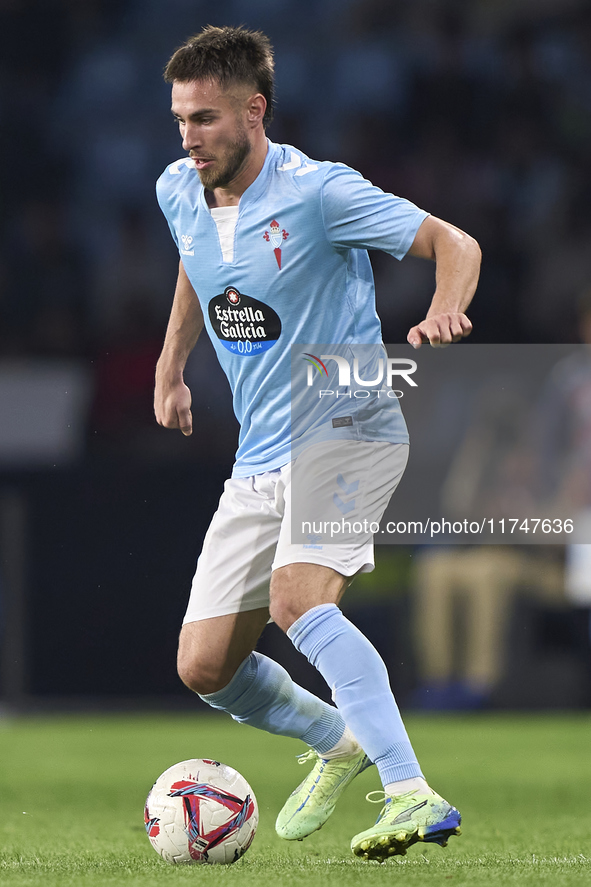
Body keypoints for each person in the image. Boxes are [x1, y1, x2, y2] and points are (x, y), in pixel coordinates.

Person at [154, 26, 480, 862]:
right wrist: (172, 364)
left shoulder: (321, 192)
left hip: (349, 424)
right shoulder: (179, 186)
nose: (189, 137)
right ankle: (340, 738)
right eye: (181, 119)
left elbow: (455, 241)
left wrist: (445, 305)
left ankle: (412, 790)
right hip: (261, 451)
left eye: (205, 119)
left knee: (300, 598)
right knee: (204, 666)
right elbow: (198, 261)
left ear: (253, 111)